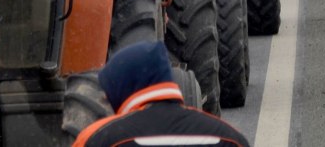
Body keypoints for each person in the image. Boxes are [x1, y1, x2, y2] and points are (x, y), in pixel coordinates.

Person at [72, 40, 251, 147]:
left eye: (109, 91)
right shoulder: (230, 138)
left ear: (123, 89)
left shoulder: (98, 139)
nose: (105, 98)